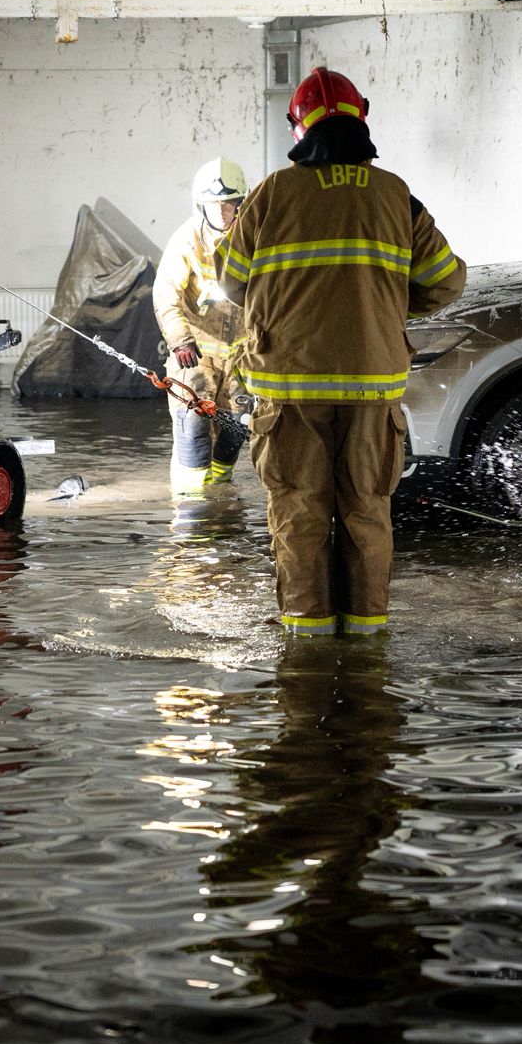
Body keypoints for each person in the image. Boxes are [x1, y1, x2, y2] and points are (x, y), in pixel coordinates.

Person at [215, 67, 466, 637]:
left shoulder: (271, 194)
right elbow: (446, 282)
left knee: (299, 514)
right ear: (361, 118)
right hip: (372, 391)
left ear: (298, 128)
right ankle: (367, 648)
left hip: (289, 392)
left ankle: (306, 651)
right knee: (367, 513)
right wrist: (384, 308)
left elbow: (230, 281)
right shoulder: (397, 196)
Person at [152, 157, 253, 495]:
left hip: (242, 360)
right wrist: (179, 339)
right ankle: (191, 505)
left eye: (228, 203)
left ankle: (221, 499)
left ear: (240, 202)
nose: (222, 211)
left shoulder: (254, 237)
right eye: (214, 204)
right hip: (195, 357)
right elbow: (166, 292)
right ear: (201, 204)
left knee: (235, 430)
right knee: (192, 428)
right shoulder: (187, 239)